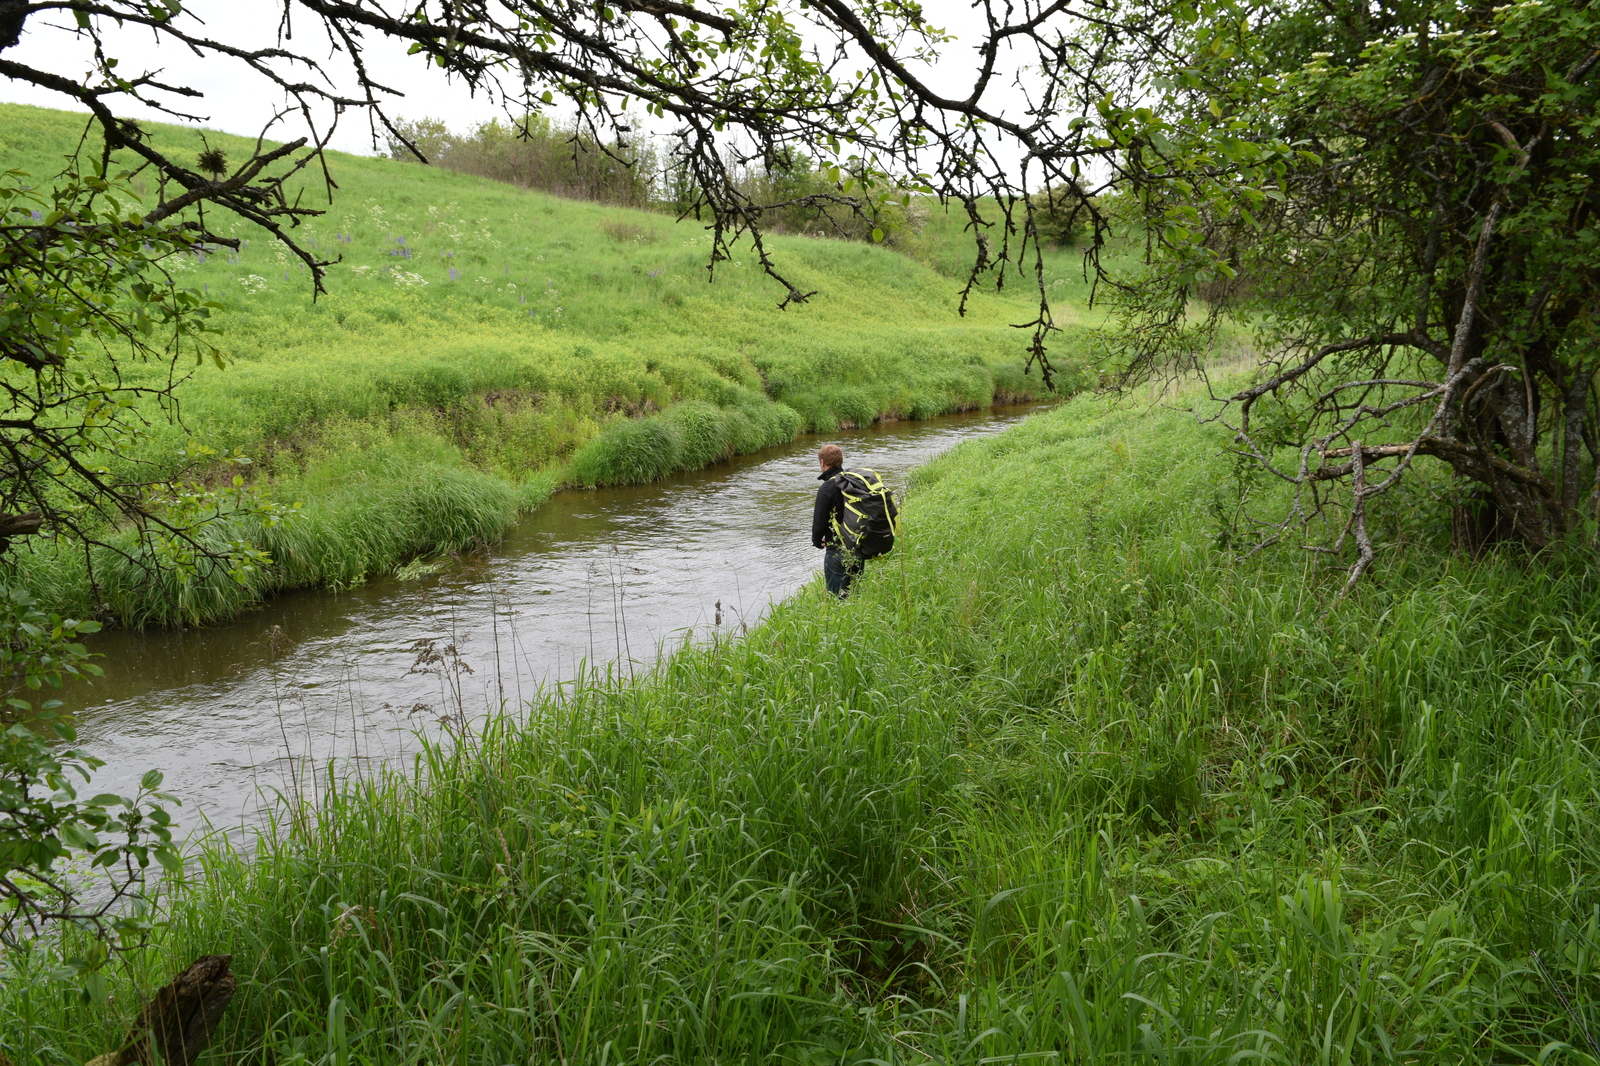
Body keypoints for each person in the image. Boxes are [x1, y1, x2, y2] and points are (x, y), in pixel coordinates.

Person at [812, 444, 858, 597]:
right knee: (855, 592)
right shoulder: (853, 481)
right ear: (840, 461)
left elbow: (819, 522)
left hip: (836, 548)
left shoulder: (827, 487)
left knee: (837, 598)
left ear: (823, 462)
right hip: (858, 546)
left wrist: (817, 542)